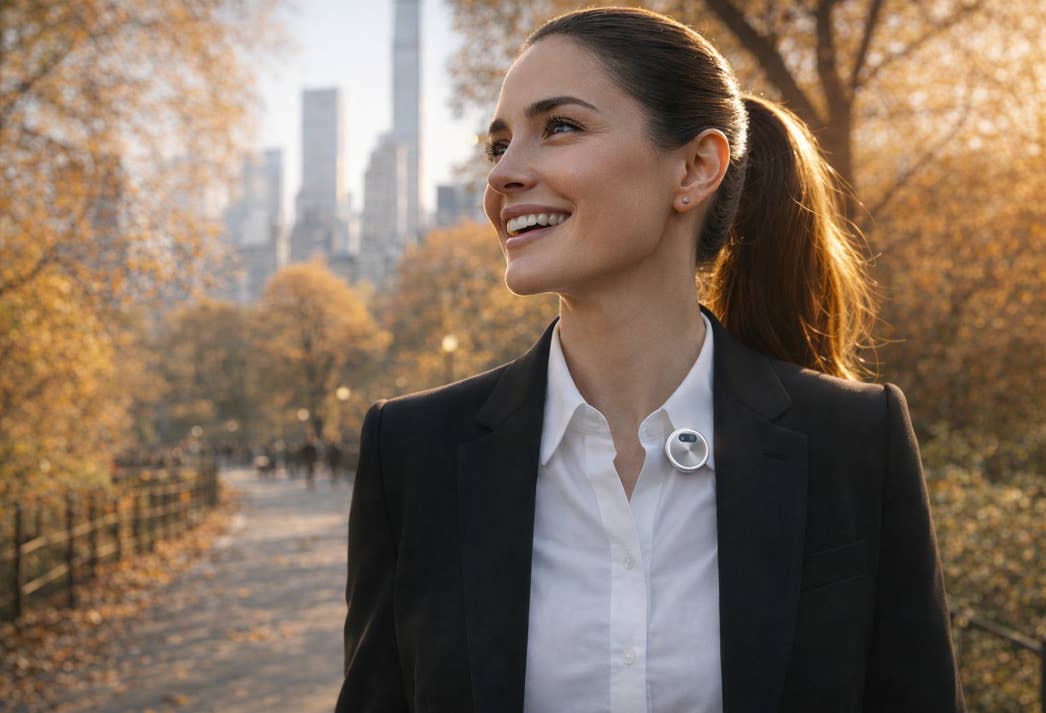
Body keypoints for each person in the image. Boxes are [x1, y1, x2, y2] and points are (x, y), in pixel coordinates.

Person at [336, 7, 964, 712]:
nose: (504, 174)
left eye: (560, 126)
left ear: (696, 168)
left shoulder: (855, 440)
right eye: (499, 144)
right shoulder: (412, 452)